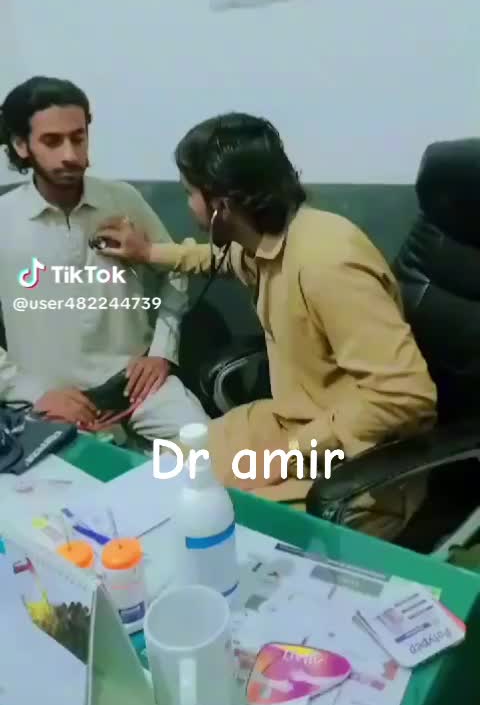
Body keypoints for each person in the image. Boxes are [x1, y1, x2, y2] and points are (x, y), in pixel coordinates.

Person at [96, 112, 437, 539]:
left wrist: (289, 455)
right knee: (166, 477)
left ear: (220, 206)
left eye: (189, 193)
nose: (187, 204)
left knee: (210, 519)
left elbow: (406, 392)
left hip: (358, 458)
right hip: (292, 421)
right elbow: (218, 259)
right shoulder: (265, 238)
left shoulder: (327, 262)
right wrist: (149, 253)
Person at [0, 76, 208, 441]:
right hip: (51, 401)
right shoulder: (4, 217)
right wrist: (32, 392)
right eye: (52, 141)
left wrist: (162, 352)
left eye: (78, 137)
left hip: (138, 384)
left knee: (205, 446)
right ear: (21, 145)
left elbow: (174, 271)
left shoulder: (121, 199)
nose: (70, 154)